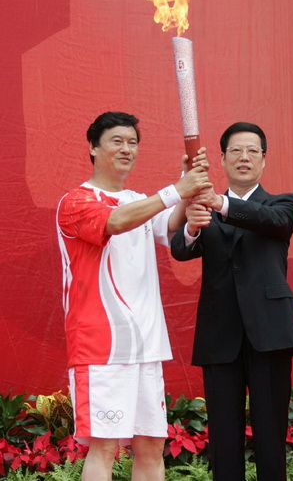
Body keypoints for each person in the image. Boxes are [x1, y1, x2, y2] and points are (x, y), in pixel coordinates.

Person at [56, 111, 211, 481]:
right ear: (93, 147)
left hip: (146, 344)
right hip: (102, 347)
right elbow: (116, 222)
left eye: (133, 142)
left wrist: (189, 195)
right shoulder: (75, 202)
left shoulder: (137, 198)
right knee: (105, 447)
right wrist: (179, 189)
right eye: (117, 141)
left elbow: (170, 225)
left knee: (151, 445)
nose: (127, 149)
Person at [171, 121, 293, 481]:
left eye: (252, 151)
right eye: (235, 150)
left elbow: (272, 222)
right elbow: (180, 249)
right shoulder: (207, 211)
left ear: (264, 160)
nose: (244, 157)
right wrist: (191, 225)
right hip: (220, 336)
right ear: (222, 159)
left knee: (269, 434)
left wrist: (218, 202)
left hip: (269, 335)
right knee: (223, 438)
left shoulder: (283, 204)